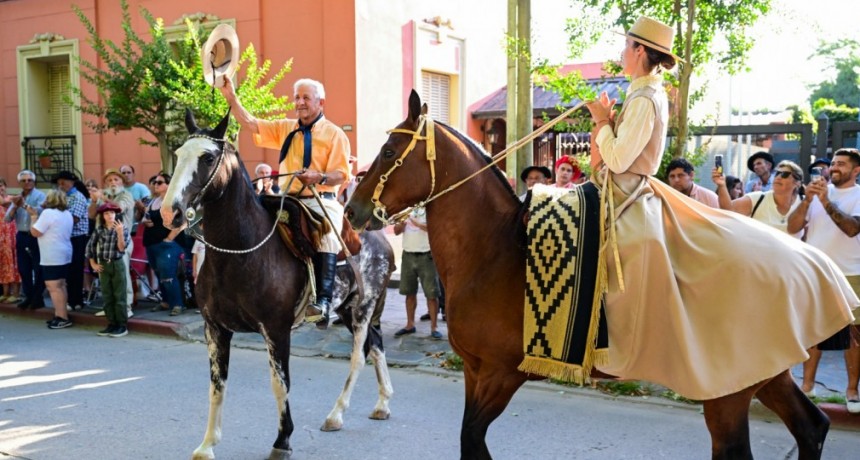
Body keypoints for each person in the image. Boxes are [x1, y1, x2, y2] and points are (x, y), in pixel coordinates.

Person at [584, 16, 856, 400]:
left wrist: (601, 124)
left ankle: (611, 343)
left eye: (625, 46)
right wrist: (607, 125)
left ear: (639, 50)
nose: (621, 52)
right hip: (621, 190)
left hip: (626, 193)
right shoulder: (641, 94)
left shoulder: (645, 98)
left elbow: (618, 159)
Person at [220, 76, 350, 328]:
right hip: (286, 198)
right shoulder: (286, 127)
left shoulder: (335, 134)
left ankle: (322, 302)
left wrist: (319, 176)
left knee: (327, 235)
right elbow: (251, 123)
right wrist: (231, 97)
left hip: (320, 200)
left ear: (321, 102)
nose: (300, 102)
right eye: (297, 97)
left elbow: (342, 174)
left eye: (306, 98)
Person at [787, 148, 860, 413]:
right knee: (813, 330)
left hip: (851, 272)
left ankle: (852, 391)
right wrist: (807, 201)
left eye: (842, 164)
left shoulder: (857, 195)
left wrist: (826, 202)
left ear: (856, 170)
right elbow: (792, 227)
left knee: (854, 335)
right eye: (834, 163)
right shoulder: (816, 193)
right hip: (816, 272)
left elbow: (852, 228)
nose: (835, 167)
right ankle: (807, 386)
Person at [88, 169, 136, 317]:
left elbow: (119, 208)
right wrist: (94, 201)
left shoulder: (127, 195)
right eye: (109, 180)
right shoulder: (104, 196)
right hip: (102, 241)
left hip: (121, 240)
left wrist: (102, 197)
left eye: (116, 179)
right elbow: (91, 215)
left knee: (122, 275)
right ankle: (109, 307)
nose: (113, 182)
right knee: (105, 275)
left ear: (122, 182)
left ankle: (126, 308)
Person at [713, 160, 804, 237]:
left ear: (797, 183)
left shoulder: (805, 203)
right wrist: (722, 185)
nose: (778, 177)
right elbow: (728, 210)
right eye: (777, 173)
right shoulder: (758, 198)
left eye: (784, 174)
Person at [140, 173, 186, 316]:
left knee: (168, 275)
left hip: (167, 245)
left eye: (160, 182)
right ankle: (166, 302)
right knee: (159, 274)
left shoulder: (174, 201)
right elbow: (145, 217)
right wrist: (145, 221)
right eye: (154, 182)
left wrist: (169, 238)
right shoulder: (153, 201)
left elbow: (182, 222)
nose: (156, 184)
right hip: (151, 243)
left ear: (169, 185)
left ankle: (178, 304)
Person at [393, 208, 442, 340]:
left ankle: (434, 327)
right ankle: (410, 324)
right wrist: (401, 225)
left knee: (432, 294)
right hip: (408, 254)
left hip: (427, 255)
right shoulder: (406, 211)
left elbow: (433, 229)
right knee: (409, 293)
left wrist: (416, 223)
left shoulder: (429, 209)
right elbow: (396, 232)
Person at [28, 190, 73, 329]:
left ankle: (62, 317)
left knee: (53, 287)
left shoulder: (48, 213)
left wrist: (33, 216)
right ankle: (61, 314)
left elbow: (35, 232)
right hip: (64, 252)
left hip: (52, 254)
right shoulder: (67, 213)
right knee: (61, 285)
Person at [86, 202, 131, 337]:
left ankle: (121, 325)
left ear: (116, 214)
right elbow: (90, 247)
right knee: (107, 294)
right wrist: (93, 263)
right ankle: (111, 323)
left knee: (119, 295)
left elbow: (122, 248)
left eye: (112, 213)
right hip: (104, 264)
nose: (110, 215)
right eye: (106, 213)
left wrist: (120, 233)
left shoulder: (122, 228)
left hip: (117, 263)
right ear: (102, 216)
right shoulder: (99, 230)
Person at [4, 170, 46, 310]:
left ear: (34, 181)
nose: (27, 182)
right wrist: (15, 206)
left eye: (29, 180)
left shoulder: (40, 195)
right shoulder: (18, 196)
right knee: (23, 268)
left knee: (38, 267)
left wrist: (23, 204)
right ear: (19, 183)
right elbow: (7, 219)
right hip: (21, 235)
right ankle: (28, 296)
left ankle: (38, 297)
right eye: (24, 180)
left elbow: (40, 211)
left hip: (34, 235)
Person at [52, 171, 90, 311]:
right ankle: (69, 299)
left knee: (75, 269)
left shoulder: (77, 197)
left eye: (63, 182)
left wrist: (55, 222)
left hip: (77, 237)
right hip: (65, 237)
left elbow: (74, 219)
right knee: (67, 270)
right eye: (59, 183)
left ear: (72, 182)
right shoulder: (63, 197)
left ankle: (76, 300)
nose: (61, 186)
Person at [0, 178, 22, 303]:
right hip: (1, 236)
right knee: (3, 264)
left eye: (1, 185)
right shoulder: (9, 199)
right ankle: (5, 293)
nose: (0, 188)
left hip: (11, 234)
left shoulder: (10, 198)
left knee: (14, 262)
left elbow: (5, 202)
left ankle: (16, 293)